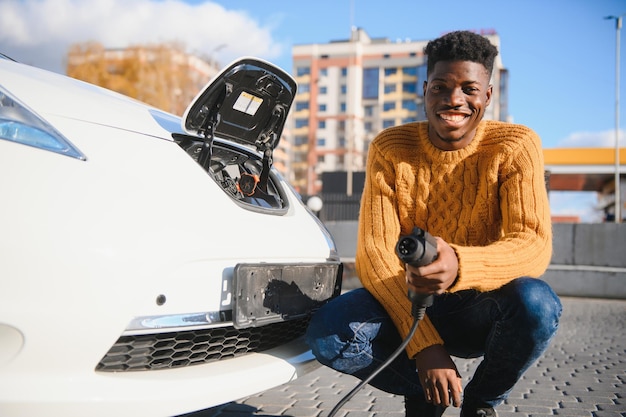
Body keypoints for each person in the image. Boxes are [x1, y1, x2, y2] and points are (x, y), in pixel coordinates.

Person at [305, 30, 562, 417]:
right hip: (411, 301)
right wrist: (425, 347)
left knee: (537, 304)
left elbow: (532, 242)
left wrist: (459, 265)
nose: (454, 99)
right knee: (328, 331)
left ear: (487, 96)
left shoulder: (516, 146)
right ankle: (431, 390)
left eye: (469, 89)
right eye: (440, 86)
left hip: (483, 305)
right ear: (425, 90)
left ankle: (479, 402)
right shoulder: (390, 148)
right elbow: (376, 256)